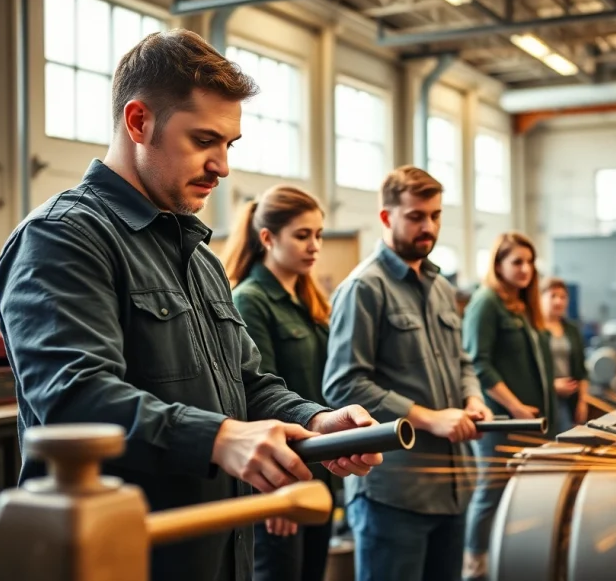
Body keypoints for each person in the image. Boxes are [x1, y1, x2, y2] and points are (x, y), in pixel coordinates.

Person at [0, 29, 381, 581]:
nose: (222, 166)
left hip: (220, 550)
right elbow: (74, 398)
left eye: (229, 145)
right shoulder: (63, 238)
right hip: (123, 557)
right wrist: (219, 438)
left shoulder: (195, 253)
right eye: (203, 140)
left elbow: (247, 383)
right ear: (138, 122)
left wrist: (313, 420)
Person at [322, 165, 494, 581]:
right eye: (416, 216)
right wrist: (429, 418)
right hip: (394, 495)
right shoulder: (364, 288)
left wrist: (473, 398)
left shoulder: (440, 287)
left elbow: (463, 362)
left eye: (434, 216)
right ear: (387, 217)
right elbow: (344, 383)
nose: (428, 227)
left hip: (452, 487)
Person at [220, 185, 335, 581]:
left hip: (318, 465)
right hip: (280, 472)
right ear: (267, 238)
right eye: (302, 235)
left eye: (318, 235)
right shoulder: (250, 300)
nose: (314, 245)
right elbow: (255, 395)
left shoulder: (309, 300)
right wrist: (272, 489)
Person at [461, 231, 557, 581]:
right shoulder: (486, 302)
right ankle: (475, 565)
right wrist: (514, 407)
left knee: (524, 490)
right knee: (492, 490)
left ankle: (512, 559)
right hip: (500, 420)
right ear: (498, 264)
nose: (525, 269)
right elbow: (478, 363)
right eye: (517, 261)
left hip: (533, 420)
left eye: (530, 262)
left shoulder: (525, 305)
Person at [540, 277, 589, 433]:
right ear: (540, 298)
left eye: (563, 297)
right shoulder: (535, 331)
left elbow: (581, 369)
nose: (558, 301)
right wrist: (551, 385)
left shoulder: (572, 330)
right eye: (553, 296)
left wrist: (583, 401)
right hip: (544, 398)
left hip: (571, 398)